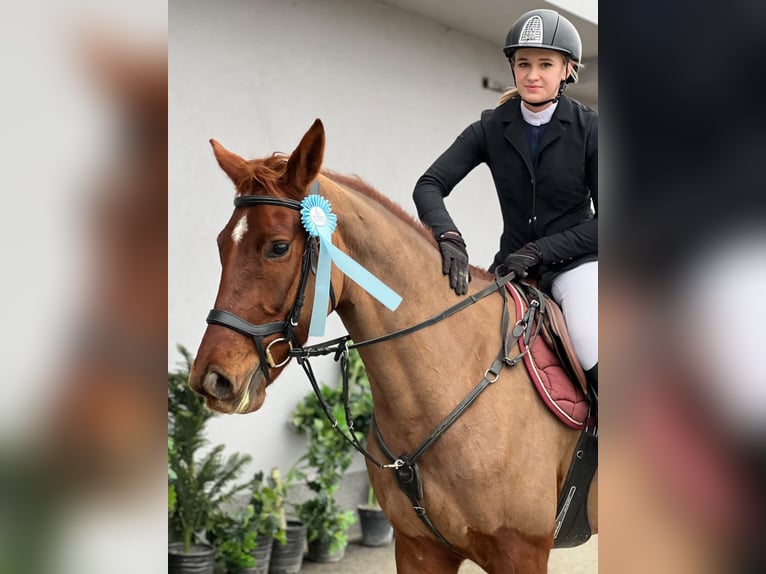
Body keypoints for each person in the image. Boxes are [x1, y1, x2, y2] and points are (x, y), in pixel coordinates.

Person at [412, 8, 598, 393]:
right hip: (512, 267)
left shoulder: (591, 129)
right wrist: (448, 236)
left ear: (568, 70)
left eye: (545, 64)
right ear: (512, 67)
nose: (532, 75)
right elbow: (429, 184)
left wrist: (541, 251)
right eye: (523, 63)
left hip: (575, 267)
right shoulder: (490, 127)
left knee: (587, 337)